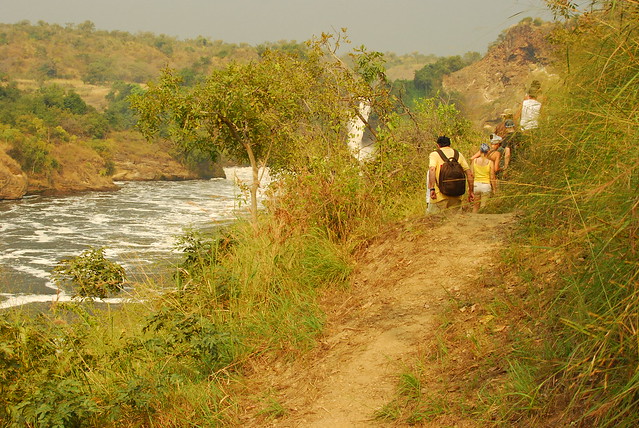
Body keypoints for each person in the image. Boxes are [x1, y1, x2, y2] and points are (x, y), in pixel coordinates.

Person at [428, 136, 474, 213]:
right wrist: (471, 191)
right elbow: (469, 174)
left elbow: (432, 169)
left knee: (436, 220)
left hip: (439, 196)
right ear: (449, 145)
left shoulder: (434, 154)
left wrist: (432, 188)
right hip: (456, 195)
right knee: (454, 221)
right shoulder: (458, 154)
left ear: (438, 145)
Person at [471, 143, 497, 213]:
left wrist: (470, 188)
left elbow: (472, 175)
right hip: (486, 185)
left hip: (476, 185)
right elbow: (492, 177)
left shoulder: (474, 161)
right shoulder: (490, 162)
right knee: (483, 206)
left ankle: (472, 221)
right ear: (488, 151)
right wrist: (494, 189)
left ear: (480, 151)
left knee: (475, 206)